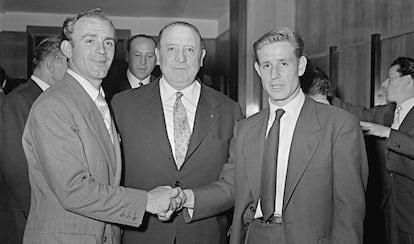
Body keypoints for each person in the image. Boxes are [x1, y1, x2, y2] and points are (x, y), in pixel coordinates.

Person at [21, 8, 184, 244]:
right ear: (67, 49)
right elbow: (73, 190)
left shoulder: (99, 101)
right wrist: (146, 201)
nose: (101, 50)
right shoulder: (54, 105)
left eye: (108, 43)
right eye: (90, 41)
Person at [213, 27, 367, 244]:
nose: (274, 75)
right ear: (258, 70)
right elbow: (231, 186)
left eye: (283, 64)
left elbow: (349, 210)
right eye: (267, 65)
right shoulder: (246, 129)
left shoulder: (340, 125)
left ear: (301, 65)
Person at [111, 21, 243, 244]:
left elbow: (237, 180)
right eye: (171, 49)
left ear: (201, 57)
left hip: (205, 235)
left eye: (189, 50)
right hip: (141, 236)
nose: (181, 58)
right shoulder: (122, 105)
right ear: (158, 56)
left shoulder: (229, 110)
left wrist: (190, 199)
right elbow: (110, 177)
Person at [332, 56, 414, 244]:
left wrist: (388, 133)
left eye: (390, 78)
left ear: (408, 80)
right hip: (389, 208)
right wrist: (322, 97)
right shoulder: (387, 112)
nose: (384, 84)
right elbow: (358, 113)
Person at [0, 36, 68, 244]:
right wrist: (37, 211)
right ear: (51, 64)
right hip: (28, 215)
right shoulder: (19, 100)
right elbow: (16, 165)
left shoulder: (54, 98)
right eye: (69, 63)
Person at [102, 34, 158, 101]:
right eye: (137, 55)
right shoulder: (108, 88)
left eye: (149, 56)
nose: (143, 62)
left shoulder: (163, 87)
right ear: (128, 56)